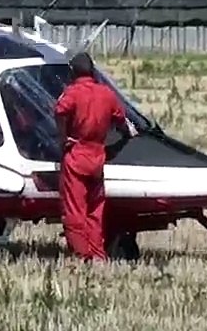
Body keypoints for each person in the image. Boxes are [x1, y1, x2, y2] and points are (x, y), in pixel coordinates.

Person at [53, 52, 137, 261]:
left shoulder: (71, 93)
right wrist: (129, 134)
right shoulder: (106, 94)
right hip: (97, 157)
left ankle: (83, 255)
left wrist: (63, 137)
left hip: (76, 155)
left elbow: (59, 111)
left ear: (73, 72)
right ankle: (98, 255)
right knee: (95, 210)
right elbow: (121, 119)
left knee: (75, 211)